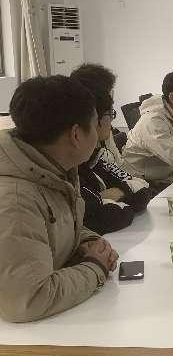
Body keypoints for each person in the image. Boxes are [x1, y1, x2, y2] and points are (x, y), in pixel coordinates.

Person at [0, 76, 118, 322]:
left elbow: (53, 227)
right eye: (95, 123)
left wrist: (88, 242)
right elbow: (27, 300)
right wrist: (96, 267)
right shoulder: (16, 198)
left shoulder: (51, 166)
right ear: (76, 135)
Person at [70, 64, 153, 234]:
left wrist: (116, 192)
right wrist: (107, 197)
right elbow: (97, 215)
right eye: (109, 113)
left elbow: (142, 189)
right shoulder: (71, 164)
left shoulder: (96, 152)